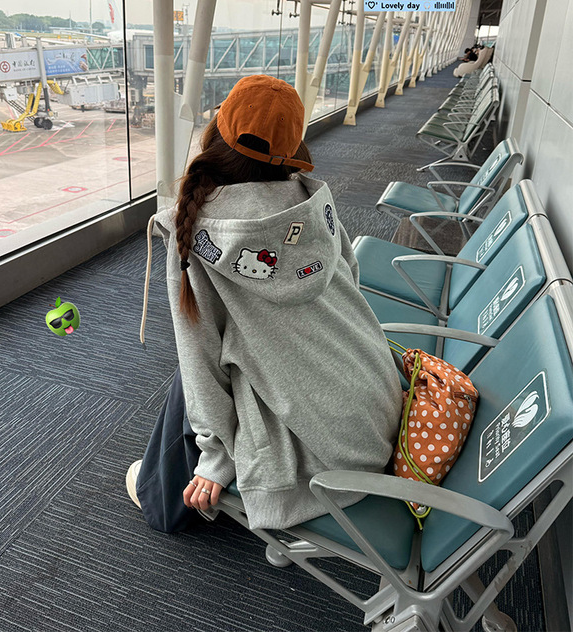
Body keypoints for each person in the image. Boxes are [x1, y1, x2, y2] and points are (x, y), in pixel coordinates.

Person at [128, 74, 403, 533]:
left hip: (331, 450)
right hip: (377, 400)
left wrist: (216, 456)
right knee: (235, 349)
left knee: (194, 371)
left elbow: (201, 360)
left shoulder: (193, 228)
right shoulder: (315, 202)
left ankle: (161, 497)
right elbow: (350, 282)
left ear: (216, 131)